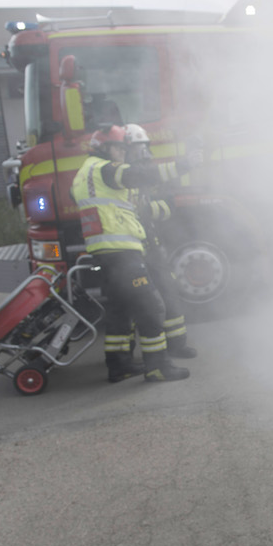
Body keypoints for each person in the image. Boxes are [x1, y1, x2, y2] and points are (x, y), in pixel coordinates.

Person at [71, 124, 197, 383]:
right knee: (151, 307)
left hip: (106, 252)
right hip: (121, 252)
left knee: (120, 310)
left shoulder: (84, 173)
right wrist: (182, 165)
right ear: (105, 148)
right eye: (119, 148)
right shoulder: (106, 169)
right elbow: (138, 175)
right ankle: (158, 367)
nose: (123, 153)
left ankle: (120, 365)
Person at [123, 124, 197, 359]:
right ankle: (129, 354)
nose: (141, 153)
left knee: (168, 291)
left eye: (143, 147)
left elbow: (169, 206)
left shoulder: (153, 175)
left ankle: (177, 344)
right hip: (129, 249)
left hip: (152, 245)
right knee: (136, 302)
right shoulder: (121, 176)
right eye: (136, 149)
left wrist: (145, 210)